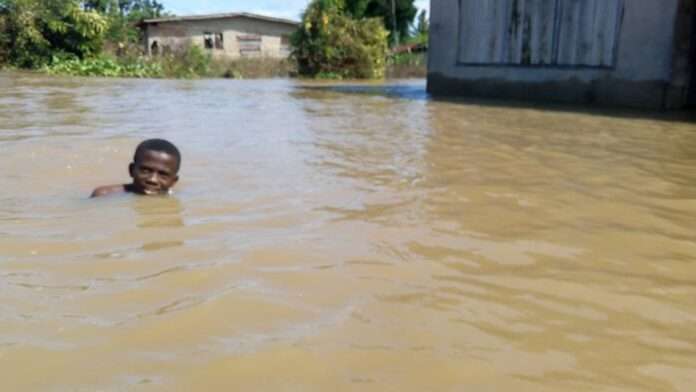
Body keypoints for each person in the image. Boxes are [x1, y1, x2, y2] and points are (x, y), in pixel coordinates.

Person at [91, 139, 181, 198]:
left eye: (163, 174)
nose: (152, 180)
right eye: (145, 170)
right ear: (131, 170)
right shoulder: (104, 195)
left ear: (173, 181)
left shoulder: (176, 199)